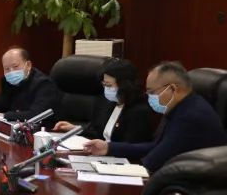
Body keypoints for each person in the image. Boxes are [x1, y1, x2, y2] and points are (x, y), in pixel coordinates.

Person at [84, 61, 227, 173]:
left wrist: (113, 170)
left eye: (152, 92)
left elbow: (153, 162)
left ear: (173, 89)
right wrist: (109, 148)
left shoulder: (190, 117)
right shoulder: (180, 108)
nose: (149, 97)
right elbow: (156, 146)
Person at [51, 58, 153, 143]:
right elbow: (98, 133)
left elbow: (131, 147)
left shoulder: (139, 112)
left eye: (109, 85)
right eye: (104, 85)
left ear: (125, 85)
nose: (106, 89)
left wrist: (107, 149)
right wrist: (76, 129)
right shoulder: (108, 103)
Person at [0, 47, 61, 123]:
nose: (11, 72)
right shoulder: (7, 80)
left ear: (28, 65)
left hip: (43, 131)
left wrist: (4, 116)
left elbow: (36, 115)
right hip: (14, 128)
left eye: (15, 66)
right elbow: (1, 103)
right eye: (7, 68)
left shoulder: (44, 84)